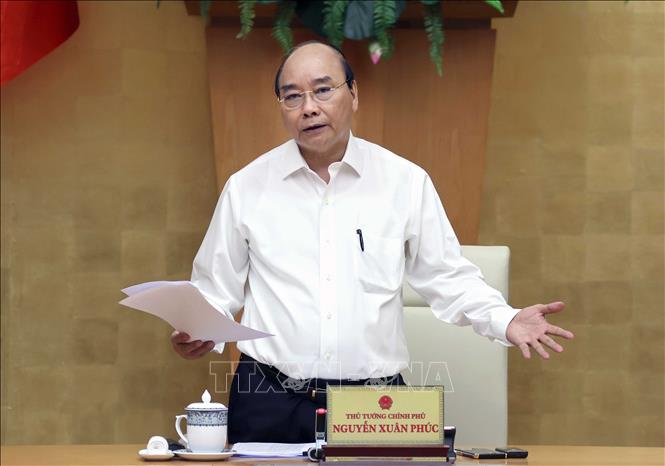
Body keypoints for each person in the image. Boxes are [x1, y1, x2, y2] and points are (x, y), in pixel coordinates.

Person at [171, 41, 574, 443]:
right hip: (268, 398)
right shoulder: (246, 188)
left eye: (323, 90)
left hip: (375, 404)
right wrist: (198, 329)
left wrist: (506, 319)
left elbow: (448, 276)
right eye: (292, 96)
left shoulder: (404, 183)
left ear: (354, 93)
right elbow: (214, 288)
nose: (309, 107)